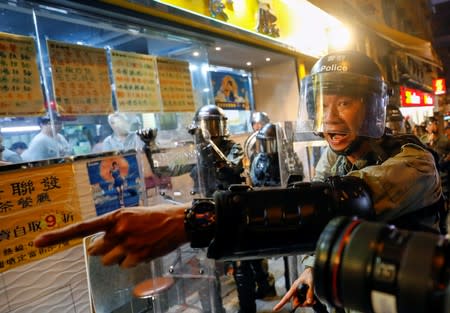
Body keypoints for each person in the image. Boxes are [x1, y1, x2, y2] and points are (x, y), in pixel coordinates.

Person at [34, 51, 443, 312]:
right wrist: (312, 270)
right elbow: (322, 219)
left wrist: (193, 222)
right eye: (323, 102)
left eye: (346, 102)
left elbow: (344, 205)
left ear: (372, 107)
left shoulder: (414, 163)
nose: (331, 116)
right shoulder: (335, 162)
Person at [189, 104, 244, 313]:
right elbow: (168, 168)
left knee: (240, 265)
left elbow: (232, 168)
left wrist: (209, 144)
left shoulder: (233, 147)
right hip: (204, 212)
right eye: (206, 125)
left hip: (229, 211)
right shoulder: (195, 150)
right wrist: (149, 148)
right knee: (206, 270)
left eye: (214, 125)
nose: (210, 129)